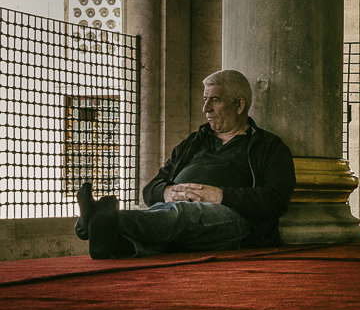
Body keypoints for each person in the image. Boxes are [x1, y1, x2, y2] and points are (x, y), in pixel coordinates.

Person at [75, 70, 296, 259]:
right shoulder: (193, 142)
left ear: (239, 105)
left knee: (184, 214)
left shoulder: (269, 146)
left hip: (238, 222)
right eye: (205, 99)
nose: (205, 108)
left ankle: (102, 220)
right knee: (169, 213)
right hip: (176, 211)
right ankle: (111, 238)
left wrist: (218, 196)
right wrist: (167, 191)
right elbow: (150, 190)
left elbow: (275, 201)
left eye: (215, 100)